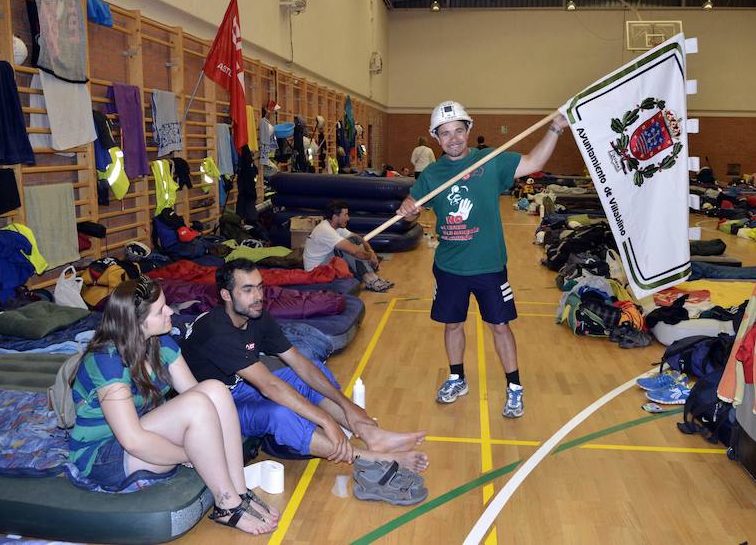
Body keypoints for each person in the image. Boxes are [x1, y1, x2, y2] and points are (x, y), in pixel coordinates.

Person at [396, 101, 569, 418]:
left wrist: (555, 129)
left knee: (500, 326)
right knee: (452, 325)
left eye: (458, 131)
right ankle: (456, 378)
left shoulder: (490, 161)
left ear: (468, 131)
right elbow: (413, 203)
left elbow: (532, 162)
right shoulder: (432, 175)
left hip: (489, 266)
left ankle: (515, 387)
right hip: (449, 267)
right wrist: (409, 206)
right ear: (436, 137)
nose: (453, 139)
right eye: (445, 134)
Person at [68, 277, 279, 535]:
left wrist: (207, 447)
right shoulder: (106, 361)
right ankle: (227, 506)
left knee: (214, 388)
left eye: (166, 304)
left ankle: (238, 489)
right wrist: (191, 454)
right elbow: (132, 440)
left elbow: (200, 396)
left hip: (140, 436)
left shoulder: (160, 342)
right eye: (161, 310)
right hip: (104, 455)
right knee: (198, 404)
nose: (171, 311)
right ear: (136, 323)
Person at [181, 259, 429, 473]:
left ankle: (372, 435)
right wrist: (327, 421)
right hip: (218, 408)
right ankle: (373, 458)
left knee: (311, 367)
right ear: (226, 295)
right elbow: (269, 387)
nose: (258, 297)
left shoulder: (256, 314)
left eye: (259, 287)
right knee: (278, 413)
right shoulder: (216, 332)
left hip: (245, 386)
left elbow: (298, 361)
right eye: (247, 290)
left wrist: (348, 406)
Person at [303, 200, 393, 292]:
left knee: (354, 241)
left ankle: (371, 276)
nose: (348, 218)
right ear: (335, 217)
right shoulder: (324, 230)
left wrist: (371, 251)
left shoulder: (336, 227)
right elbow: (355, 251)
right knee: (347, 249)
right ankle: (370, 279)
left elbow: (358, 238)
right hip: (316, 272)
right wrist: (369, 257)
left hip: (327, 264)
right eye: (345, 215)